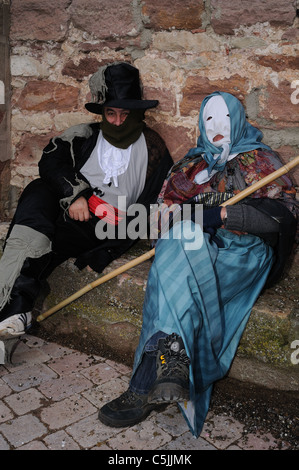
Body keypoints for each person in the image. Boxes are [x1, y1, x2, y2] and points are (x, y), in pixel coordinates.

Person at [98, 91, 298, 436]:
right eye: (209, 119)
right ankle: (171, 366)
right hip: (188, 249)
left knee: (172, 272)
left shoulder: (262, 162)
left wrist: (218, 214)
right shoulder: (189, 167)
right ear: (200, 125)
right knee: (178, 242)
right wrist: (171, 219)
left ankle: (144, 384)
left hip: (242, 253)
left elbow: (282, 219)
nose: (217, 127)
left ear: (238, 121)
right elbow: (159, 223)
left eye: (225, 119)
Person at [0, 62, 172, 352]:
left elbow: (153, 203)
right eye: (111, 113)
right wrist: (78, 195)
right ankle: (14, 312)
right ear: (102, 113)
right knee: (38, 194)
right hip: (70, 208)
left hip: (104, 225)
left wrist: (116, 235)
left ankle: (14, 307)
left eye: (125, 114)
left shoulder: (153, 148)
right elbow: (51, 162)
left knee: (42, 231)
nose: (117, 122)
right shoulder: (85, 135)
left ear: (139, 113)